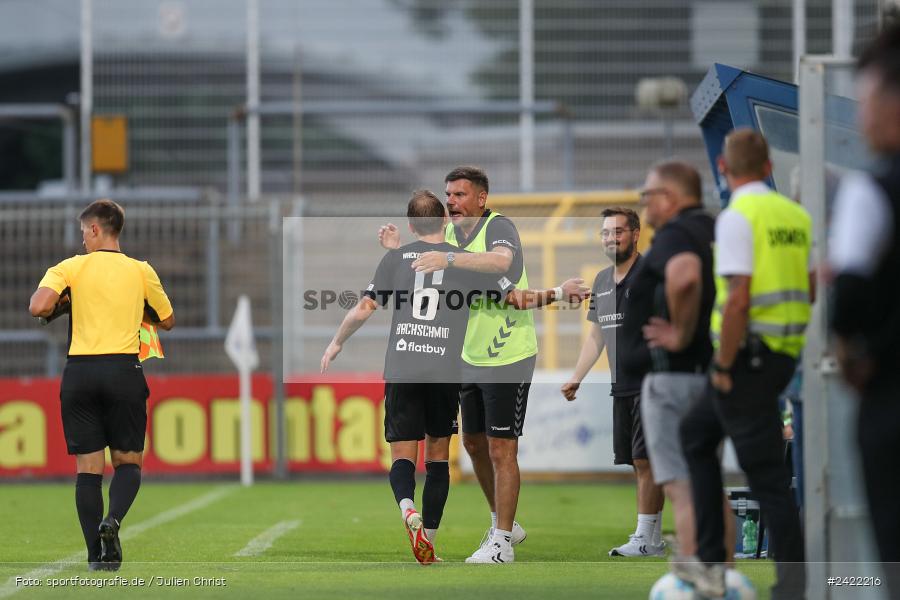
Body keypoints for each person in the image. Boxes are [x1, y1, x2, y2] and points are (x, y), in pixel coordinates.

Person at [329, 190, 585, 564]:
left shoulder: (396, 259)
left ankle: (406, 508)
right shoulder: (464, 264)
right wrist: (561, 293)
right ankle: (429, 538)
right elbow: (516, 299)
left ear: (412, 225)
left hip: (402, 367)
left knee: (402, 454)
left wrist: (336, 343)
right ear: (445, 222)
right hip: (444, 371)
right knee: (437, 455)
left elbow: (363, 309)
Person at [679, 130, 812, 599]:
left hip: (745, 358)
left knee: (766, 476)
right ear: (769, 165)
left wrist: (722, 364)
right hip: (782, 352)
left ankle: (789, 584)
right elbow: (811, 282)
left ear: (723, 168)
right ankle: (713, 563)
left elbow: (737, 300)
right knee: (697, 437)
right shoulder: (794, 215)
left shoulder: (738, 217)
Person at [29, 199, 174, 571]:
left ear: (95, 229)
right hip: (124, 371)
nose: (82, 241)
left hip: (79, 373)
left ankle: (96, 556)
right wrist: (133, 307)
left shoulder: (70, 268)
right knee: (128, 462)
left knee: (87, 470)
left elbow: (38, 307)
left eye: (83, 233)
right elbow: (167, 319)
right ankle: (113, 521)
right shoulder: (141, 271)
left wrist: (66, 304)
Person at [629, 161, 736, 581]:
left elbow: (684, 275)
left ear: (670, 198)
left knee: (680, 485)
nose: (644, 204)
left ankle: (695, 574)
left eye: (648, 195)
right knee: (708, 479)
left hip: (671, 376)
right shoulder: (713, 229)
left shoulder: (676, 234)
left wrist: (680, 333)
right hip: (706, 372)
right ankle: (725, 574)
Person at [829, 23, 900, 599]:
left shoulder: (871, 190)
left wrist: (852, 352)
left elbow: (848, 295)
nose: (861, 118)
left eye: (868, 100)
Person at [561, 206, 666, 557]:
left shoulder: (652, 272)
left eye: (618, 232)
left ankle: (644, 537)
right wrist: (577, 376)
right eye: (606, 233)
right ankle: (652, 537)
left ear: (636, 234)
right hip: (621, 385)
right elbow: (597, 336)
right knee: (640, 462)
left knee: (646, 461)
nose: (611, 238)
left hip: (652, 383)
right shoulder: (603, 280)